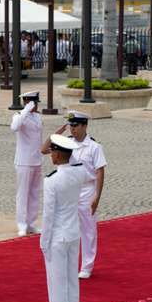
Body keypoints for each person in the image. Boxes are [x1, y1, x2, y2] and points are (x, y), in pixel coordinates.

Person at [42, 111, 106, 279]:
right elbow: (43, 150)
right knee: (65, 225)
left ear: (85, 125)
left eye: (76, 125)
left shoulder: (94, 147)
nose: (73, 129)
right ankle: (66, 261)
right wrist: (57, 133)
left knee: (88, 229)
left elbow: (99, 172)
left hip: (87, 189)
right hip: (69, 189)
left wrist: (97, 197)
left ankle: (87, 265)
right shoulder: (65, 143)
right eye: (70, 125)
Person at [38, 134, 86, 302]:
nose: (50, 155)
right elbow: (77, 164)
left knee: (57, 281)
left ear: (58, 154)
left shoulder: (52, 181)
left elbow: (49, 214)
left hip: (57, 236)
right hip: (74, 233)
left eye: (52, 152)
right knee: (71, 280)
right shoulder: (79, 172)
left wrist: (44, 241)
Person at [11, 91, 43, 237]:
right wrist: (25, 110)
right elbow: (14, 127)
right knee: (22, 194)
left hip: (36, 160)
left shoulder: (38, 117)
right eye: (33, 103)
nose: (35, 106)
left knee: (34, 194)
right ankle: (21, 225)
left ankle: (31, 224)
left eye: (36, 103)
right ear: (27, 102)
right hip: (24, 161)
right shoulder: (19, 116)